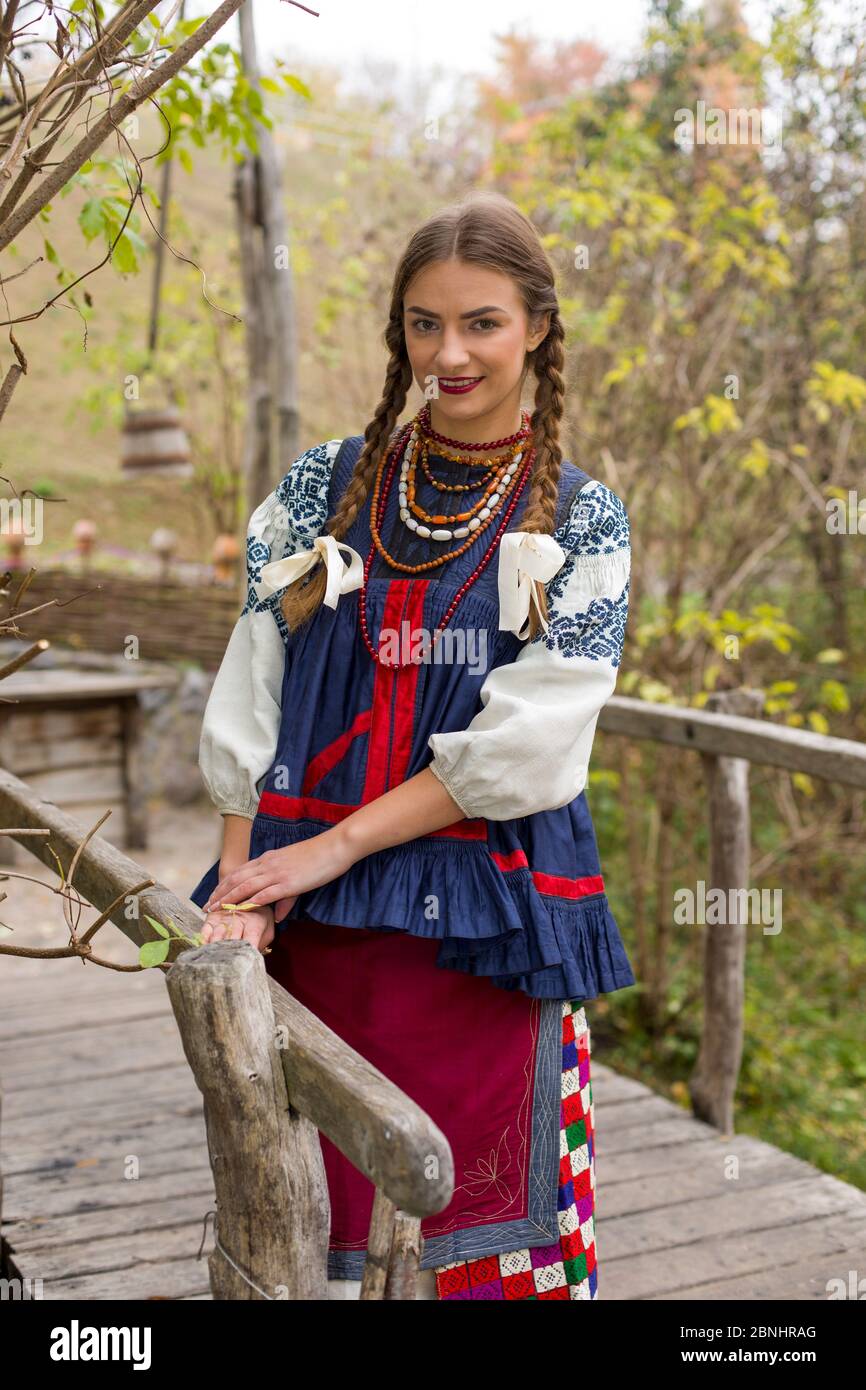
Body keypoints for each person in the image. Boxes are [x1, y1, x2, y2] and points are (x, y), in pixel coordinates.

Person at [189, 190, 635, 1301]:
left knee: (479, 1225)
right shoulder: (320, 489)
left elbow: (527, 749)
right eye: (423, 323)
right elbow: (252, 691)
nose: (449, 352)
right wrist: (243, 887)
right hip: (308, 918)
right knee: (307, 1214)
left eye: (480, 322)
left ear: (534, 324)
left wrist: (332, 847)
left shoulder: (579, 522)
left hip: (480, 924)